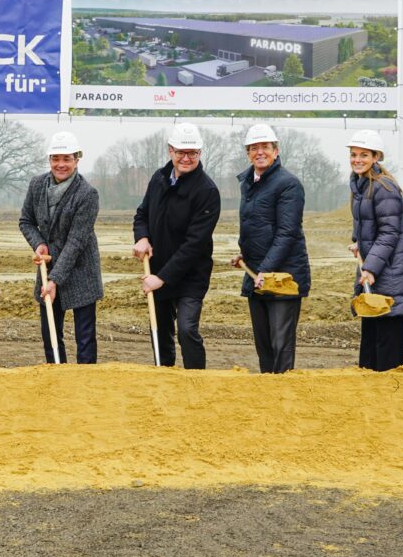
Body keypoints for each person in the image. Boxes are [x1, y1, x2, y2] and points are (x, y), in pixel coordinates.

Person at [132, 123, 220, 369]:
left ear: (200, 153)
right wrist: (142, 236)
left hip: (191, 276)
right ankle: (166, 378)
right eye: (181, 152)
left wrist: (162, 278)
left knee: (186, 330)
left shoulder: (207, 191)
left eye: (192, 152)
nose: (186, 158)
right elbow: (142, 214)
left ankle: (196, 380)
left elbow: (195, 244)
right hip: (157, 268)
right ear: (170, 151)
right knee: (160, 332)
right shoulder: (159, 179)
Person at [229, 124, 309, 373]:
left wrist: (264, 268)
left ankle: (283, 395)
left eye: (265, 147)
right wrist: (246, 254)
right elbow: (259, 227)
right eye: (254, 148)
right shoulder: (249, 182)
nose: (259, 152)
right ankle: (267, 393)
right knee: (263, 343)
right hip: (258, 275)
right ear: (248, 153)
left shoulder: (288, 184)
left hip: (283, 276)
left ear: (276, 151)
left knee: (280, 343)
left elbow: (287, 233)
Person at [19, 131, 103, 364]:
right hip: (48, 269)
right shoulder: (37, 185)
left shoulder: (87, 194)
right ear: (49, 160)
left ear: (77, 160)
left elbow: (76, 242)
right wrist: (39, 243)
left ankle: (85, 383)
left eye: (67, 159)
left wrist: (55, 280)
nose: (61, 164)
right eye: (56, 158)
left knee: (84, 338)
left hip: (81, 271)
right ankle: (57, 379)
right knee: (51, 335)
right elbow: (26, 221)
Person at [346, 130, 403, 371]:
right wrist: (359, 243)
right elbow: (370, 226)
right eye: (354, 154)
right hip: (375, 277)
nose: (357, 159)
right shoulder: (361, 186)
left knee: (386, 361)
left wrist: (371, 268)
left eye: (364, 154)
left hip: (389, 280)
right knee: (369, 356)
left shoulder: (384, 188)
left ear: (376, 157)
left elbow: (389, 233)